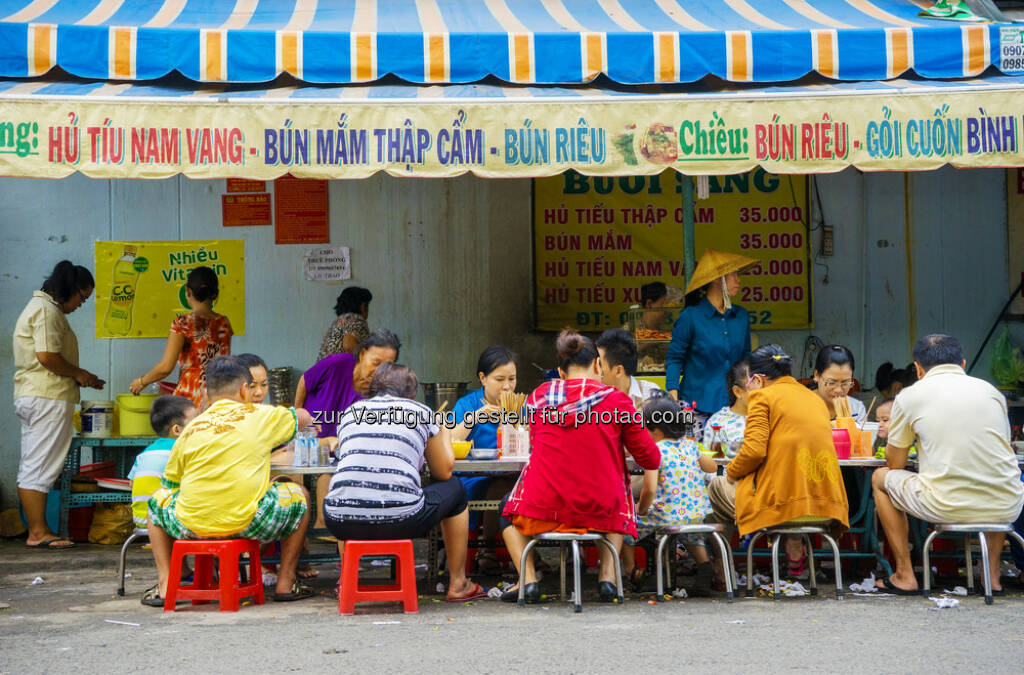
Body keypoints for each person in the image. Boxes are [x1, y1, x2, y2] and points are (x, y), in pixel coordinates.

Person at [499, 330, 661, 603]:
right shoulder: (618, 401)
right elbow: (650, 459)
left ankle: (527, 581)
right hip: (600, 508)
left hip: (544, 507)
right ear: (598, 366)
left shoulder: (538, 398)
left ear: (561, 373)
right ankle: (608, 578)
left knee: (506, 510)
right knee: (619, 499)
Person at [143, 356, 315, 606]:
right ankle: (286, 582)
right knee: (300, 494)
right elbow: (303, 417)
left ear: (207, 394)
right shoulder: (261, 416)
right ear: (245, 389)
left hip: (192, 526)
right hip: (248, 523)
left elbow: (171, 486)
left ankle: (166, 583)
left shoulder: (191, 428)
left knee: (156, 501)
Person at [872, 334, 1024, 595]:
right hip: (1008, 504)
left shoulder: (910, 395)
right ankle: (992, 578)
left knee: (880, 478)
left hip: (946, 504)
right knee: (996, 479)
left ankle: (904, 575)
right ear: (962, 364)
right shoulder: (992, 393)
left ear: (918, 368)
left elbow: (895, 463)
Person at [322, 363, 486, 602]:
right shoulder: (419, 411)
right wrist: (442, 429)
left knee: (348, 492)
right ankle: (458, 583)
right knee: (457, 489)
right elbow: (444, 471)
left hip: (338, 520)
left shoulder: (351, 412)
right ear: (411, 392)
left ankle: (346, 580)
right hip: (402, 519)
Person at [706, 345, 849, 580]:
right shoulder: (812, 398)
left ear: (758, 379)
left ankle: (722, 573)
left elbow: (753, 452)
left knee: (717, 486)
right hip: (825, 509)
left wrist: (730, 474)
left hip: (787, 509)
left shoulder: (763, 397)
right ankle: (791, 554)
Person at [14, 260, 102, 549]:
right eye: (82, 297)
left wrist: (82, 376)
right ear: (71, 290)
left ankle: (40, 530)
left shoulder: (44, 309)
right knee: (38, 466)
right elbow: (47, 357)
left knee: (35, 463)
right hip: (46, 397)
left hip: (41, 394)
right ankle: (38, 532)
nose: (81, 304)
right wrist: (78, 373)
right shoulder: (46, 310)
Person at [623, 394, 717, 594]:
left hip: (666, 515)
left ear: (654, 429)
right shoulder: (690, 446)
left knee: (625, 525)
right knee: (691, 534)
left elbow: (649, 489)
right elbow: (711, 467)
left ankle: (632, 571)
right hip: (696, 514)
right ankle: (704, 566)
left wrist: (641, 509)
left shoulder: (654, 451)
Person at [666, 249, 756, 438]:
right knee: (695, 459)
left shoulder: (741, 316)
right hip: (693, 406)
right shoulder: (691, 317)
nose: (738, 280)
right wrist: (673, 399)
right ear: (717, 279)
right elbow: (675, 358)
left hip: (733, 405)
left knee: (730, 461)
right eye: (733, 274)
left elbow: (746, 360)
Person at [451, 346, 519, 575]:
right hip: (474, 477)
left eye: (512, 379)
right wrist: (475, 418)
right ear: (482, 378)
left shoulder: (519, 406)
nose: (507, 386)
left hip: (513, 474)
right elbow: (450, 441)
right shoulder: (467, 405)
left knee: (515, 484)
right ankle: (488, 550)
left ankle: (527, 550)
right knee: (500, 486)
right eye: (500, 379)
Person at [129, 266, 232, 408]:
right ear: (215, 294)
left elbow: (165, 367)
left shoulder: (183, 324)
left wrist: (141, 382)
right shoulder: (224, 323)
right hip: (220, 400)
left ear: (188, 291)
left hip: (190, 401)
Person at [295, 329, 400, 438]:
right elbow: (305, 381)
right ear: (363, 354)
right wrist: (297, 418)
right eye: (376, 363)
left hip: (339, 450)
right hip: (307, 442)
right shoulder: (337, 363)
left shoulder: (379, 393)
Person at [128, 396, 197, 531]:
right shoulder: (182, 449)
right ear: (177, 430)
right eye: (195, 423)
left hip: (140, 519)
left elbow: (131, 484)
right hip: (166, 519)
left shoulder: (144, 453)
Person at [596, 328, 660, 407]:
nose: (595, 370)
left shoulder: (651, 394)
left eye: (599, 365)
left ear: (618, 371)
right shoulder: (593, 399)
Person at [703, 358, 751, 459]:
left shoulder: (771, 417)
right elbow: (709, 464)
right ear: (738, 391)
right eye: (754, 386)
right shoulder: (717, 422)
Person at [808, 345, 867, 423]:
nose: (839, 390)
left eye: (845, 383)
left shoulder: (856, 408)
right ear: (816, 375)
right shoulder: (801, 406)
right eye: (832, 382)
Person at [317, 286, 372, 361]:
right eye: (366, 305)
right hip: (336, 370)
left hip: (324, 370)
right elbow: (349, 345)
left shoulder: (341, 320)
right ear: (362, 305)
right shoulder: (356, 319)